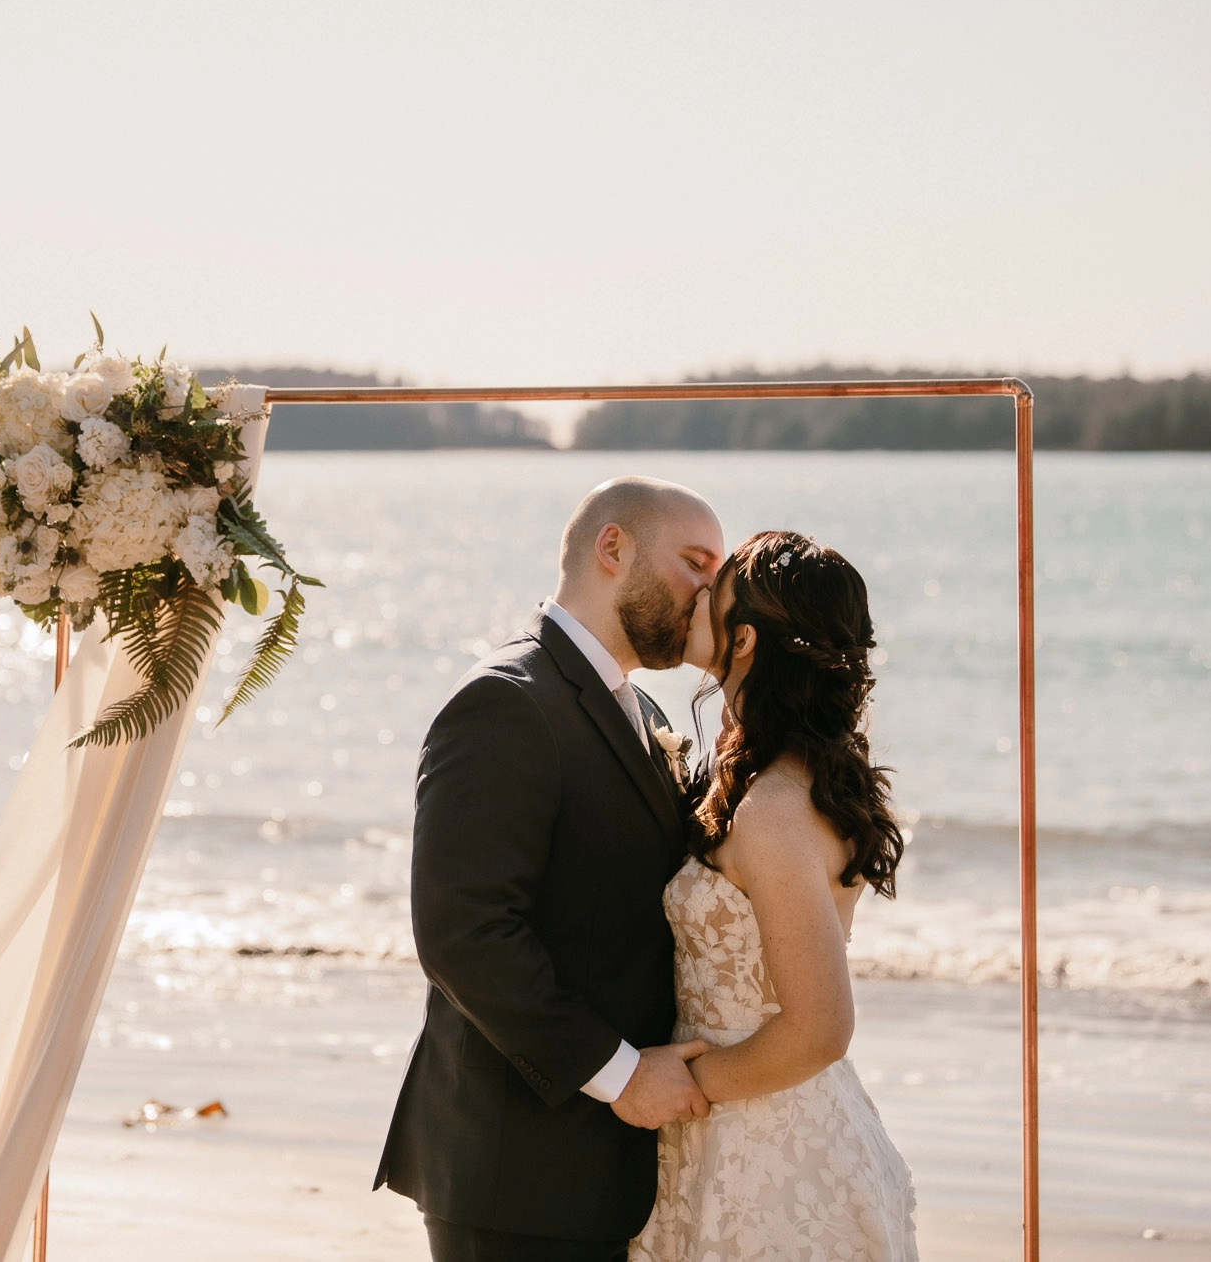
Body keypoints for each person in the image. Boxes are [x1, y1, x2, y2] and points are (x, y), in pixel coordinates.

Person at [376, 477, 726, 1262]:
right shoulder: (506, 702)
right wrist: (623, 1074)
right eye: (697, 563)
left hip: (601, 1171)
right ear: (613, 548)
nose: (711, 592)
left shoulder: (648, 714)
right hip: (515, 1170)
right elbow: (465, 932)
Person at [631, 530, 917, 1261]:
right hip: (731, 1126)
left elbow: (820, 1027)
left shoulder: (775, 810)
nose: (698, 593)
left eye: (716, 591)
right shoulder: (784, 776)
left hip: (766, 1157)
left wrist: (679, 1082)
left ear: (746, 639)